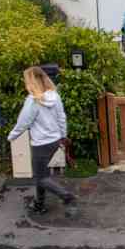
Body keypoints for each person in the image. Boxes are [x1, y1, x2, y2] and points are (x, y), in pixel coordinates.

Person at [8, 66, 76, 215]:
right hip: (54, 141)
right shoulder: (54, 95)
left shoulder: (33, 101)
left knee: (41, 178)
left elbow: (23, 123)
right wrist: (63, 136)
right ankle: (39, 204)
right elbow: (61, 117)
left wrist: (11, 137)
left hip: (40, 144)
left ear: (31, 82)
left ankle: (67, 197)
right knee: (42, 175)